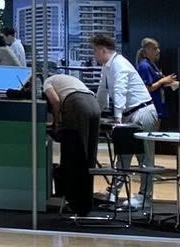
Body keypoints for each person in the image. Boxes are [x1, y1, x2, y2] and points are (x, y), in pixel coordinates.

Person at [94, 34, 157, 207]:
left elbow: (119, 89)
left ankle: (145, 197)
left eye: (95, 51)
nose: (94, 55)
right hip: (131, 114)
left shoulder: (119, 64)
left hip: (142, 111)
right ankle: (114, 194)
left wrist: (117, 118)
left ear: (102, 50)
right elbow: (102, 92)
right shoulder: (107, 67)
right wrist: (95, 113)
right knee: (123, 155)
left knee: (144, 157)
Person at [44, 72, 103, 213]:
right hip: (94, 105)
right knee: (89, 155)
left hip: (76, 106)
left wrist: (56, 122)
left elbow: (55, 101)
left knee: (74, 154)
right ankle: (86, 202)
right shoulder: (68, 80)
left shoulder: (47, 82)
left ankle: (75, 203)